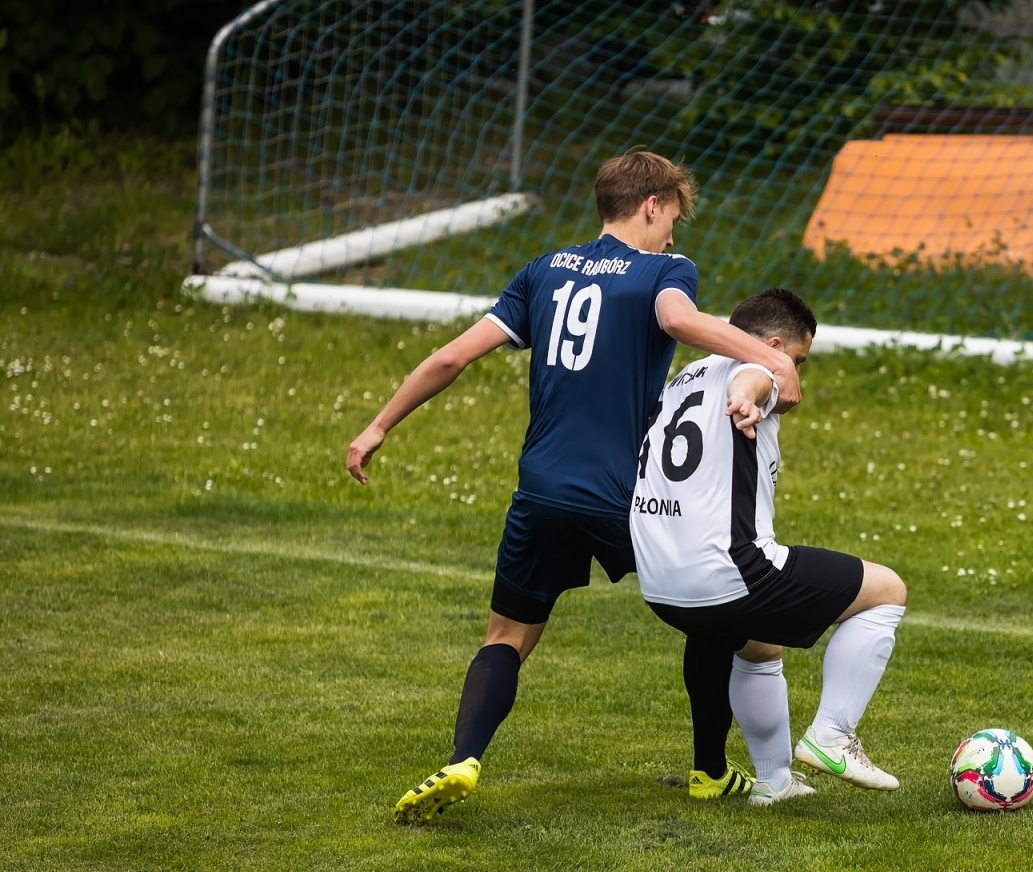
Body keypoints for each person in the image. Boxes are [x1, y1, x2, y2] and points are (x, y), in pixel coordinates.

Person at [345, 149, 802, 825]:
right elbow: (677, 321)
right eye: (671, 217)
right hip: (626, 495)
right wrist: (766, 353)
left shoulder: (543, 271)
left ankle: (464, 758)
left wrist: (379, 425)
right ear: (651, 206)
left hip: (541, 491)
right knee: (712, 613)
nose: (673, 234)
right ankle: (710, 772)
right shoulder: (665, 271)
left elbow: (451, 357)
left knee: (506, 637)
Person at [630, 288, 907, 806]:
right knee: (887, 590)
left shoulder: (685, 378)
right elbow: (756, 377)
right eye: (799, 358)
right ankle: (832, 736)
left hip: (661, 583)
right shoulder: (758, 369)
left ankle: (774, 781)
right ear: (775, 344)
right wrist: (756, 385)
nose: (797, 371)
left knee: (759, 645)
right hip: (730, 571)